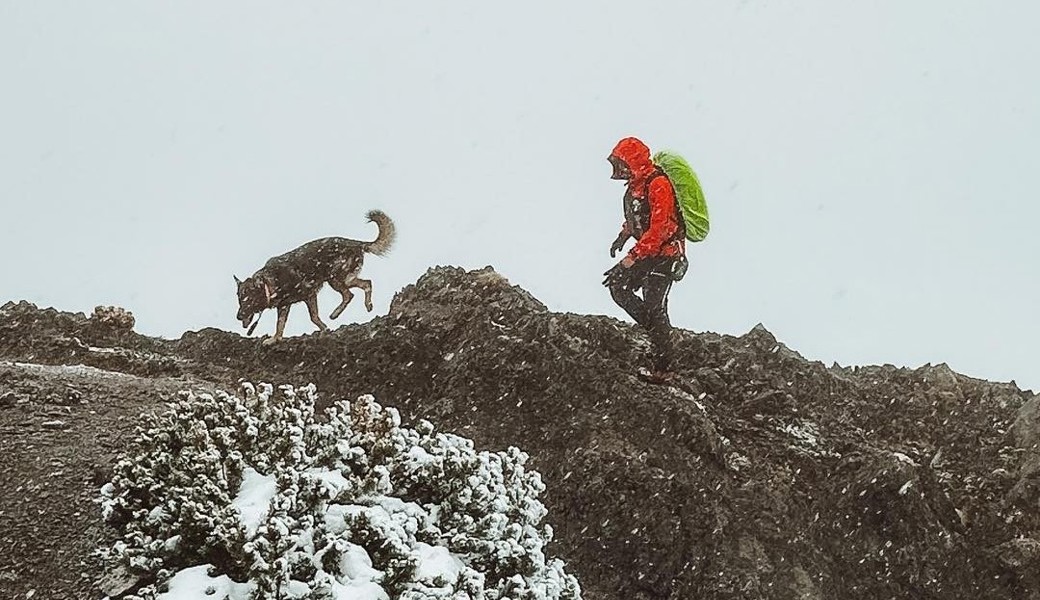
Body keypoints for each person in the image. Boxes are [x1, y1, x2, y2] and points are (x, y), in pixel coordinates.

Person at [602, 136, 688, 383]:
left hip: (665, 255)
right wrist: (623, 236)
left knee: (654, 305)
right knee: (618, 287)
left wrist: (631, 258)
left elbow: (661, 228)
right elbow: (638, 218)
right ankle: (660, 337)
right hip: (647, 252)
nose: (617, 170)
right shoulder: (635, 187)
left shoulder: (658, 183)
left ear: (633, 161)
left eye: (620, 164)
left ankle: (665, 367)